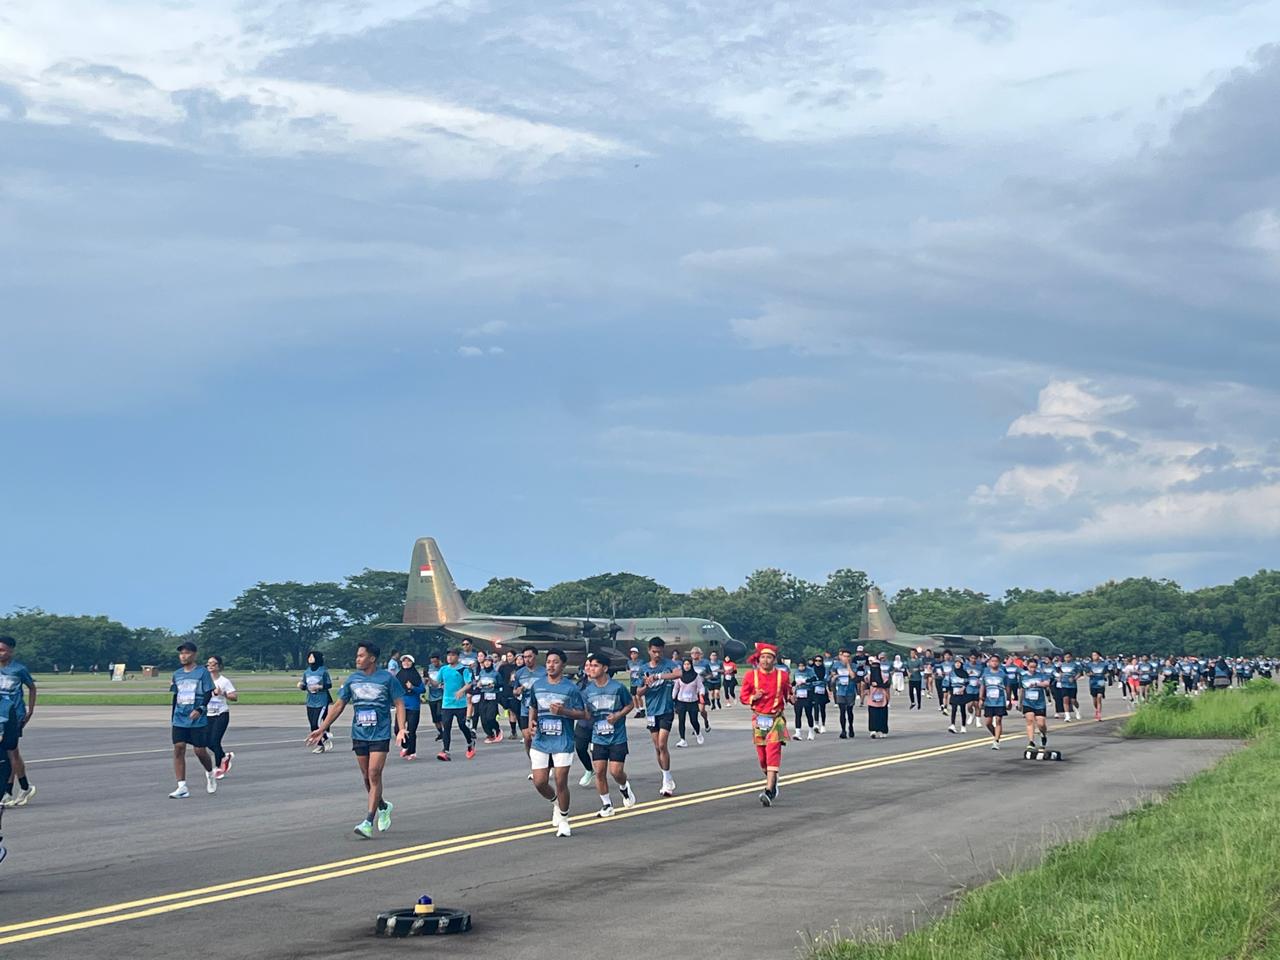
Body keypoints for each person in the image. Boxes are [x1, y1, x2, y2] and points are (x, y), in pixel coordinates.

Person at [307, 642, 406, 837]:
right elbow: (338, 705)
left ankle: (368, 821)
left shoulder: (387, 678)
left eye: (361, 656)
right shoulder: (353, 679)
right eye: (357, 656)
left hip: (380, 733)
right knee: (366, 778)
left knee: (374, 773)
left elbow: (399, 703)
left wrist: (401, 729)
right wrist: (322, 728)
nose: (357, 659)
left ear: (372, 658)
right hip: (359, 733)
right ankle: (383, 806)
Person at [526, 649, 588, 838]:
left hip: (563, 740)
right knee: (540, 782)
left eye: (555, 662)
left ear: (562, 665)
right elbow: (533, 706)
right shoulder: (537, 685)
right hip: (541, 740)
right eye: (548, 662)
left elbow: (584, 714)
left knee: (561, 781)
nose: (551, 665)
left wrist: (564, 712)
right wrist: (531, 723)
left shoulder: (571, 688)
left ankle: (564, 819)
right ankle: (555, 802)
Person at [582, 654, 637, 817]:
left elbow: (630, 704)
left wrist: (618, 716)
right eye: (590, 665)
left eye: (595, 665)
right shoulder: (587, 691)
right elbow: (586, 712)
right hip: (598, 737)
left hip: (617, 737)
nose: (591, 669)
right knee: (599, 771)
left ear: (605, 668)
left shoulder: (617, 687)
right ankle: (607, 804)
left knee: (616, 772)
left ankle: (624, 787)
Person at [739, 642, 793, 806]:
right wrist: (752, 698)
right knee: (762, 758)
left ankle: (769, 790)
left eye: (769, 657)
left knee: (773, 751)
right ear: (758, 659)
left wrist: (792, 698)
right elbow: (743, 697)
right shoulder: (750, 676)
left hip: (776, 718)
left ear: (774, 660)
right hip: (759, 719)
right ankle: (773, 780)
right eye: (763, 657)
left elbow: (787, 693)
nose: (765, 660)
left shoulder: (782, 676)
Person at [168, 641, 217, 799]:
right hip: (180, 717)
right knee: (179, 747)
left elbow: (209, 693)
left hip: (197, 718)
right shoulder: (177, 674)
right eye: (181, 653)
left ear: (194, 654)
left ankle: (210, 773)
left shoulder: (202, 673)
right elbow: (176, 695)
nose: (183, 656)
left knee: (199, 751)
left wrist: (200, 709)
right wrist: (172, 716)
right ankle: (182, 786)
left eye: (187, 653)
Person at [635, 638, 682, 797]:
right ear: (649, 651)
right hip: (652, 711)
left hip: (666, 709)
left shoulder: (668, 664)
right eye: (654, 651)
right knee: (657, 747)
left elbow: (678, 673)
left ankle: (667, 779)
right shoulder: (643, 669)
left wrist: (658, 676)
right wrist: (647, 684)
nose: (657, 654)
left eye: (659, 652)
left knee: (662, 744)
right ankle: (666, 776)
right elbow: (638, 692)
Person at [0, 636, 37, 807]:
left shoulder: (18, 669)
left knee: (10, 753)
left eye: (3, 650)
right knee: (11, 753)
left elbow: (31, 687)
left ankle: (8, 791)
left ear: (11, 651)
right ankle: (23, 787)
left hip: (14, 715)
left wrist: (30, 710)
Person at [437, 649, 476, 761]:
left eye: (452, 655)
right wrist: (428, 679)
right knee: (446, 727)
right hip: (446, 704)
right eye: (448, 655)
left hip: (460, 704)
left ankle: (470, 742)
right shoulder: (443, 669)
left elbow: (469, 683)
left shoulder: (463, 669)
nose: (450, 657)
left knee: (462, 725)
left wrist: (461, 691)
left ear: (457, 657)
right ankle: (446, 751)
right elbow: (436, 682)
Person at [206, 655, 238, 778]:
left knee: (215, 741)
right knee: (207, 742)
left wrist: (223, 693)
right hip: (208, 714)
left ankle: (219, 767)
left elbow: (234, 697)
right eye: (209, 663)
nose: (210, 666)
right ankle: (225, 757)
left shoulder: (224, 681)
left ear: (219, 666)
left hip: (221, 714)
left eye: (213, 663)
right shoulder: (205, 680)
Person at [298, 651, 334, 754]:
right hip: (310, 701)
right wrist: (301, 686)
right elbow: (305, 685)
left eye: (312, 656)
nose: (310, 658)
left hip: (321, 701)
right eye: (309, 656)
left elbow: (329, 685)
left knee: (316, 723)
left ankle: (325, 737)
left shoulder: (323, 671)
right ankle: (321, 744)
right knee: (312, 725)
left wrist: (319, 687)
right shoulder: (307, 672)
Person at [396, 654, 426, 759]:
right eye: (404, 661)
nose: (406, 663)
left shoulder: (416, 676)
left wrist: (412, 687)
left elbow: (422, 690)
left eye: (408, 661)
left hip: (413, 706)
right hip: (402, 706)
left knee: (411, 730)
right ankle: (406, 746)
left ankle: (412, 752)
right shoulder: (399, 675)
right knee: (397, 729)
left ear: (412, 663)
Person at [1020, 657, 1052, 751]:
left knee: (1041, 723)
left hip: (1039, 703)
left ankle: (1043, 734)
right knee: (1029, 721)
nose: (1032, 669)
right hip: (1027, 702)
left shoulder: (1041, 675)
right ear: (1027, 666)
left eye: (1034, 667)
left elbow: (1047, 683)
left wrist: (1037, 684)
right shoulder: (1023, 676)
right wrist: (1020, 702)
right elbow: (1021, 689)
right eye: (1031, 667)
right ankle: (1031, 741)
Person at [672, 657, 705, 748]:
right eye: (685, 664)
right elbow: (676, 688)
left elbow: (701, 687)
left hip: (692, 701)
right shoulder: (679, 676)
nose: (686, 666)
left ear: (691, 665)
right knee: (681, 721)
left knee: (693, 720)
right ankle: (683, 740)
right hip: (681, 701)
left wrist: (701, 694)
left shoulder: (696, 676)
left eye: (688, 664)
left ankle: (698, 733)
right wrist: (672, 697)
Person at [474, 655, 505, 744]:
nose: (487, 663)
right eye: (485, 661)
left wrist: (494, 685)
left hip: (493, 696)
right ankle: (490, 734)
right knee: (483, 718)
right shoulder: (482, 673)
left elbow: (501, 684)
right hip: (483, 696)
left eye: (489, 661)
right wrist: (479, 684)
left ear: (492, 663)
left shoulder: (496, 673)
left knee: (490, 717)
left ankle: (497, 729)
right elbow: (478, 683)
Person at [979, 654, 1008, 749]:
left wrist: (1009, 699)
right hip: (989, 701)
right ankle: (995, 734)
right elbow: (982, 686)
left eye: (996, 661)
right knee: (988, 723)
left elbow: (1007, 687)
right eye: (992, 661)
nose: (994, 663)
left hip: (1000, 701)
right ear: (989, 662)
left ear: (999, 663)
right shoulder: (986, 674)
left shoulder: (1003, 674)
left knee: (998, 720)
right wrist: (981, 698)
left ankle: (996, 741)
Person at [832, 649, 857, 738]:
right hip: (841, 691)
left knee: (849, 711)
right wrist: (834, 676)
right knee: (842, 711)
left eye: (848, 656)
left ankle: (851, 726)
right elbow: (833, 673)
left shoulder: (854, 665)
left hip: (850, 690)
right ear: (841, 657)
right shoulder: (836, 665)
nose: (846, 658)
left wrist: (848, 666)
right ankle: (843, 730)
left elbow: (853, 676)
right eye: (845, 656)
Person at [791, 658, 817, 741]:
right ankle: (797, 732)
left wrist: (805, 681)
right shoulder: (796, 672)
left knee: (808, 713)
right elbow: (794, 682)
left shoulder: (809, 671)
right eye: (799, 666)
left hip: (807, 693)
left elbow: (814, 678)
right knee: (798, 713)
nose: (801, 668)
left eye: (802, 666)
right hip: (798, 693)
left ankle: (811, 731)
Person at [866, 658, 891, 738]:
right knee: (873, 715)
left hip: (882, 698)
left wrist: (888, 698)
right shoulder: (869, 676)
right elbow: (864, 682)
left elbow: (887, 686)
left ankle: (882, 730)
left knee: (882, 715)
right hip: (872, 698)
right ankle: (873, 730)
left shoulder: (883, 676)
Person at [689, 647, 713, 731]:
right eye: (692, 653)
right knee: (693, 711)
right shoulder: (689, 664)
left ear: (700, 654)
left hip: (702, 689)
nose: (694, 654)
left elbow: (711, 675)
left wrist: (705, 678)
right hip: (691, 690)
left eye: (696, 653)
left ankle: (706, 721)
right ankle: (695, 727)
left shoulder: (705, 663)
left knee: (701, 709)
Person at [424, 653, 445, 741]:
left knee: (439, 714)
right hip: (432, 695)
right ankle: (440, 732)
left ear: (439, 660)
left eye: (436, 662)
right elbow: (425, 681)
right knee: (435, 718)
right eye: (432, 662)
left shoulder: (444, 668)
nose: (434, 663)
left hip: (441, 695)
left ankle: (445, 731)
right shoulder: (429, 668)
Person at [810, 655, 829, 733]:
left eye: (820, 661)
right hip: (814, 691)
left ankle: (823, 725)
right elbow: (810, 679)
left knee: (822, 708)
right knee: (815, 706)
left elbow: (826, 679)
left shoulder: (825, 670)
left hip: (822, 690)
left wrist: (820, 682)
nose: (818, 662)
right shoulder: (811, 670)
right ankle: (816, 723)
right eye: (816, 660)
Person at [1088, 651, 1108, 721]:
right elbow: (1087, 673)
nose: (1094, 656)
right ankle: (1097, 709)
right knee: (1095, 700)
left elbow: (1107, 672)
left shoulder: (1104, 664)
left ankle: (1099, 714)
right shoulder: (1089, 665)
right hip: (1093, 683)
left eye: (1095, 655)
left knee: (1099, 697)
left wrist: (1106, 675)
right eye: (1093, 655)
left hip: (1101, 682)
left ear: (1099, 656)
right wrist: (1089, 674)